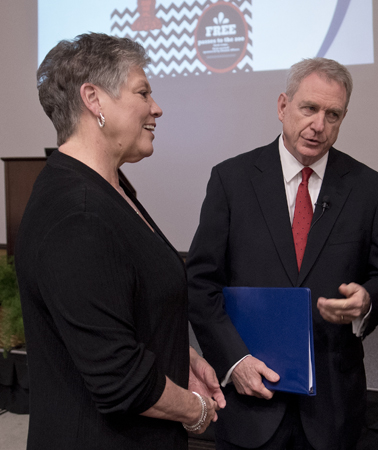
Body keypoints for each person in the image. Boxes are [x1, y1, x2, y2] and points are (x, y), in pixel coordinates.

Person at [187, 57, 378, 450]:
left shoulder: (369, 189)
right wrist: (235, 361)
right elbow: (201, 283)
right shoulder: (231, 180)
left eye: (333, 114)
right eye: (309, 108)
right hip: (249, 402)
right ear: (282, 106)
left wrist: (368, 300)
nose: (319, 125)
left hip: (332, 408)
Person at [15, 33, 225, 450]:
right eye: (143, 92)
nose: (156, 107)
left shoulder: (108, 191)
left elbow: (115, 309)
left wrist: (177, 356)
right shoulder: (78, 213)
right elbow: (118, 379)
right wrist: (196, 411)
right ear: (94, 99)